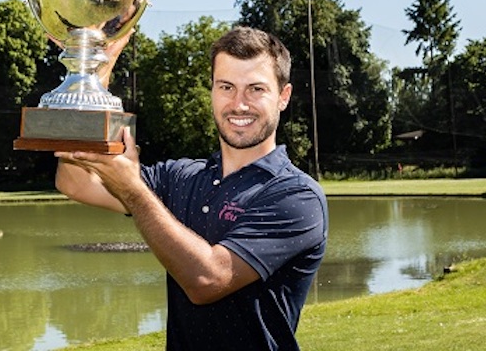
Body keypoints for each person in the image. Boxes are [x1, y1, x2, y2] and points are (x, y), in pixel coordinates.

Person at [55, 26, 328, 350]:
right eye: (226, 86)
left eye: (256, 89)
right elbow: (74, 182)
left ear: (283, 97)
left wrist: (133, 189)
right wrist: (94, 76)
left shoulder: (296, 196)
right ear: (211, 90)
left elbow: (208, 280)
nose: (239, 104)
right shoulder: (181, 176)